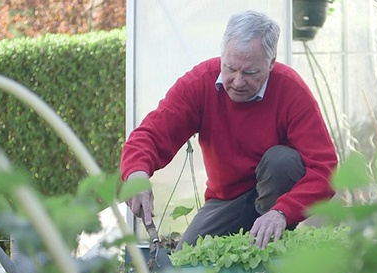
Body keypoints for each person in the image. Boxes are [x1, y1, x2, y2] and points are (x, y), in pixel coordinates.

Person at [121, 10, 338, 250]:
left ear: (271, 63)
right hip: (225, 201)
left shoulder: (291, 91)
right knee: (188, 257)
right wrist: (137, 174)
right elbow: (150, 134)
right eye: (230, 68)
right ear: (222, 55)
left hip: (276, 196)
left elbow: (325, 169)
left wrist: (283, 212)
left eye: (250, 72)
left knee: (282, 161)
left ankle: (272, 246)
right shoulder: (200, 83)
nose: (237, 81)